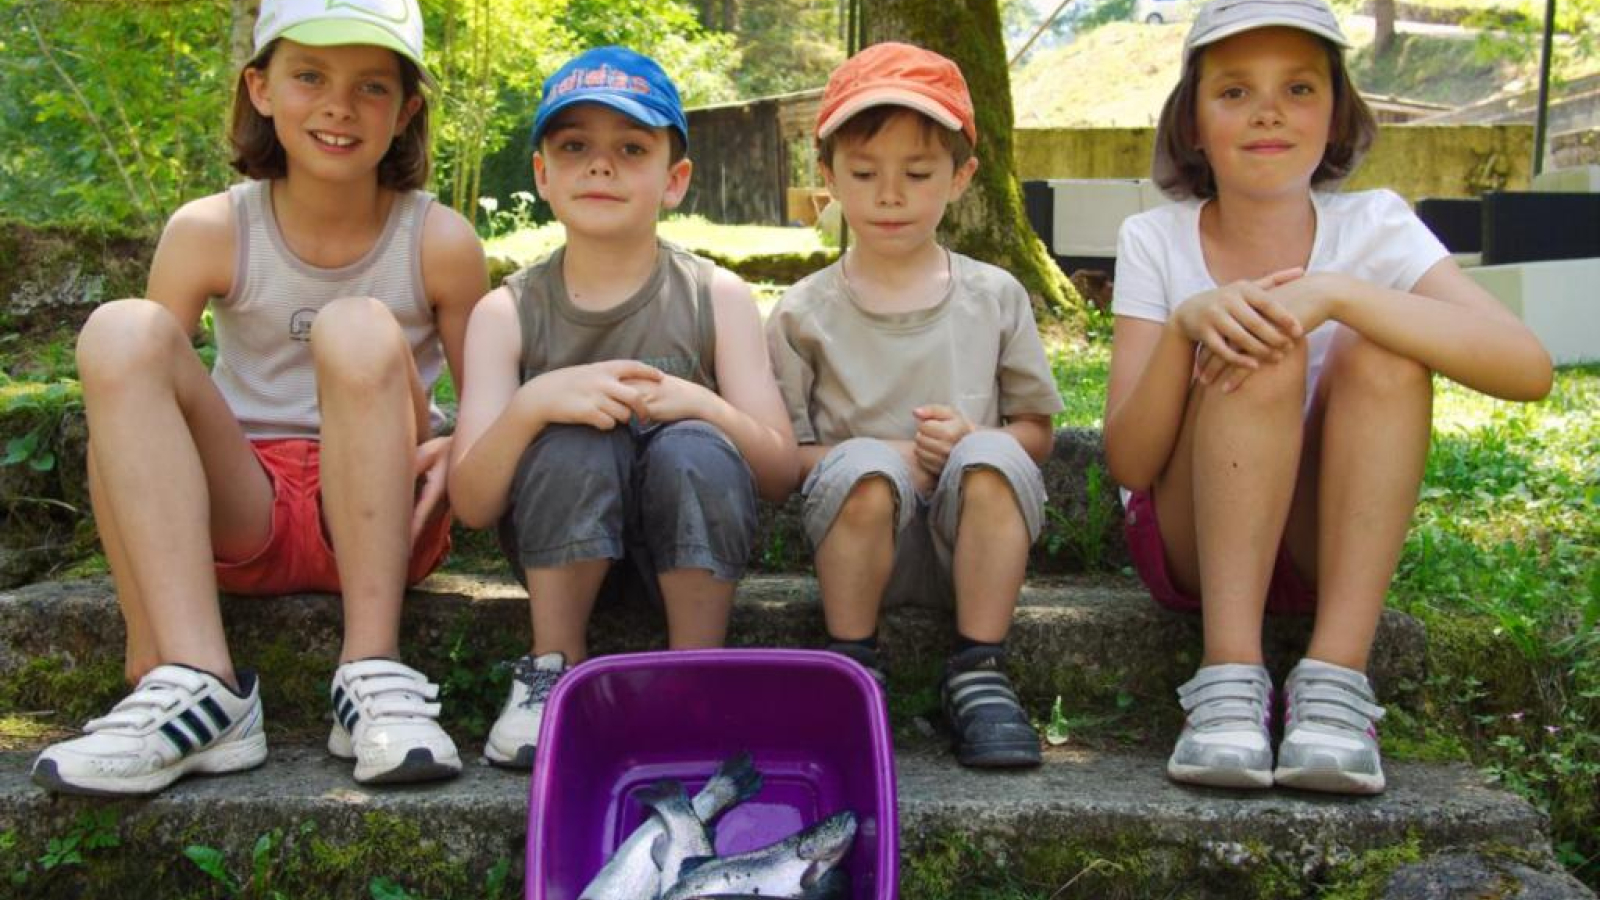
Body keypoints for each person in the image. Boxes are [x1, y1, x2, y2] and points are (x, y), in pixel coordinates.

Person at [32, 0, 487, 796]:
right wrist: (143, 629)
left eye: (372, 87)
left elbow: (491, 400)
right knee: (120, 332)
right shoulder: (209, 229)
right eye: (309, 76)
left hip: (383, 506)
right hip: (242, 502)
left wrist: (461, 443)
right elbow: (126, 421)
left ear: (407, 110)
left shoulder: (440, 240)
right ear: (261, 88)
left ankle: (372, 673)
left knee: (354, 326)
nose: (340, 106)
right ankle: (199, 681)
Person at [1105, 0, 1552, 794]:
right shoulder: (1157, 238)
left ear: (1337, 113)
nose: (1269, 111)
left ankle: (1336, 683)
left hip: (1327, 541)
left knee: (1386, 350)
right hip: (1193, 538)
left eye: (1300, 89)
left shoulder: (1378, 227)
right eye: (1234, 91)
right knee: (1259, 338)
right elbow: (1131, 460)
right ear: (1192, 125)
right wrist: (1184, 329)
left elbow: (1526, 368)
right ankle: (1228, 681)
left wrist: (1342, 296)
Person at [448, 46, 798, 769]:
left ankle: (696, 673)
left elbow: (780, 471)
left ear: (674, 181)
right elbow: (473, 504)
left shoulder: (717, 298)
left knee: (695, 445)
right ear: (543, 174)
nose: (600, 166)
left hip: (692, 541)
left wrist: (703, 404)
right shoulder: (505, 312)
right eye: (575, 146)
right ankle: (553, 671)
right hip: (560, 551)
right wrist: (534, 404)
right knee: (573, 439)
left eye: (630, 148)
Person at [766, 43, 1065, 769]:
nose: (890, 195)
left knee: (993, 453)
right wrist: (889, 454)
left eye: (918, 173)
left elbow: (1037, 431)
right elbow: (782, 461)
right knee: (864, 466)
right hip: (862, 538)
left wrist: (971, 439)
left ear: (962, 177)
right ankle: (853, 663)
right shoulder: (802, 312)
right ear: (829, 176)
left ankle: (979, 669)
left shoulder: (995, 296)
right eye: (865, 174)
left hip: (971, 531)